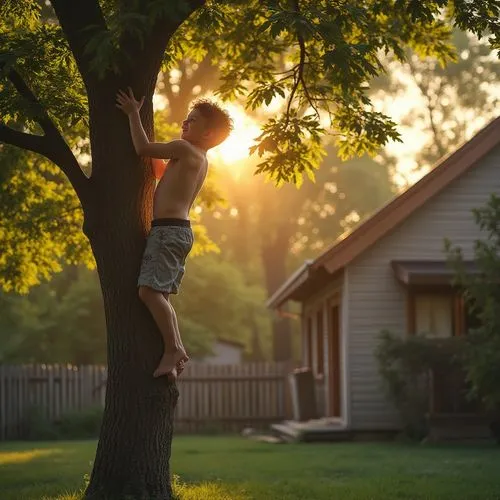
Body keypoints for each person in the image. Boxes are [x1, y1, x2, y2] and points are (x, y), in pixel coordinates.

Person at [116, 88, 233, 379]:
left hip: (168, 232)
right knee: (160, 294)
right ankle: (175, 347)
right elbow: (158, 172)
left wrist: (133, 114)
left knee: (149, 292)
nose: (184, 124)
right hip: (175, 232)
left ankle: (173, 348)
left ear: (207, 134)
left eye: (191, 121)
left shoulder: (184, 150)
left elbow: (143, 149)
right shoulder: (197, 158)